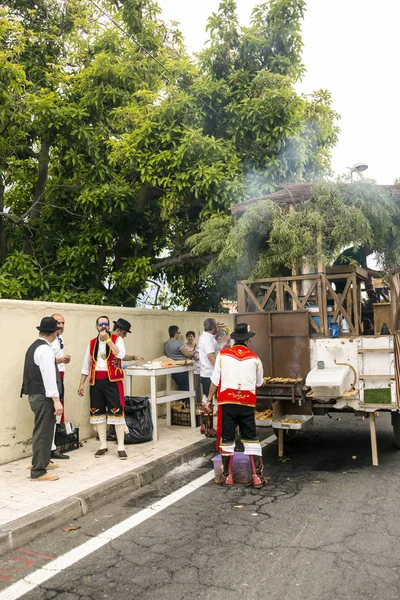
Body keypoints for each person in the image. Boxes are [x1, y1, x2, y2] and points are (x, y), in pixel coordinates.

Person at [206, 322, 265, 489]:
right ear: (247, 340)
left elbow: (214, 381)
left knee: (228, 439)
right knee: (251, 439)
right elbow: (259, 382)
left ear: (235, 339)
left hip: (228, 403)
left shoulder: (223, 356)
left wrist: (209, 400)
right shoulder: (255, 359)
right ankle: (257, 477)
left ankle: (227, 476)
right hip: (246, 404)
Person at [78, 317, 135, 460]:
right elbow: (87, 364)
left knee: (117, 413)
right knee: (99, 414)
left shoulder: (116, 339)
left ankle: (121, 446)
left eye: (106, 324)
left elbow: (120, 354)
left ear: (109, 326)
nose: (103, 326)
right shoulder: (91, 343)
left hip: (112, 381)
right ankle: (103, 445)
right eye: (100, 324)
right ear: (96, 326)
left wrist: (108, 340)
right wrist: (81, 383)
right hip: (96, 381)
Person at [21, 317, 64, 481]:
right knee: (43, 432)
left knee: (43, 430)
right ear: (54, 333)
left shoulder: (34, 346)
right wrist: (56, 400)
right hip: (43, 396)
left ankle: (43, 461)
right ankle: (38, 471)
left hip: (35, 395)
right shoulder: (45, 350)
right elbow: (48, 377)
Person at [49, 313, 71, 460]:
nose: (61, 326)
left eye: (63, 323)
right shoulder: (49, 340)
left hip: (60, 376)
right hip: (53, 377)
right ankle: (50, 448)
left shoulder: (60, 338)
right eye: (58, 323)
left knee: (58, 413)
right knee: (52, 412)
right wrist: (60, 360)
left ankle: (54, 445)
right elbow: (47, 360)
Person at [164, 325, 196, 392]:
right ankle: (184, 402)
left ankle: (181, 402)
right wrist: (194, 351)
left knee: (180, 387)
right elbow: (187, 354)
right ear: (176, 333)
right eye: (178, 333)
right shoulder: (179, 342)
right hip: (182, 369)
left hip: (172, 369)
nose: (178, 335)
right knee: (185, 388)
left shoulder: (166, 344)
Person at [185, 331, 201, 404]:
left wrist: (192, 353)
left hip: (196, 369)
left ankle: (197, 402)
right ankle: (188, 402)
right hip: (187, 369)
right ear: (186, 338)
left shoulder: (197, 346)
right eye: (188, 336)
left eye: (191, 336)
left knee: (196, 386)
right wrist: (192, 352)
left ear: (194, 338)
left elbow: (198, 358)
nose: (190, 338)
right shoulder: (184, 346)